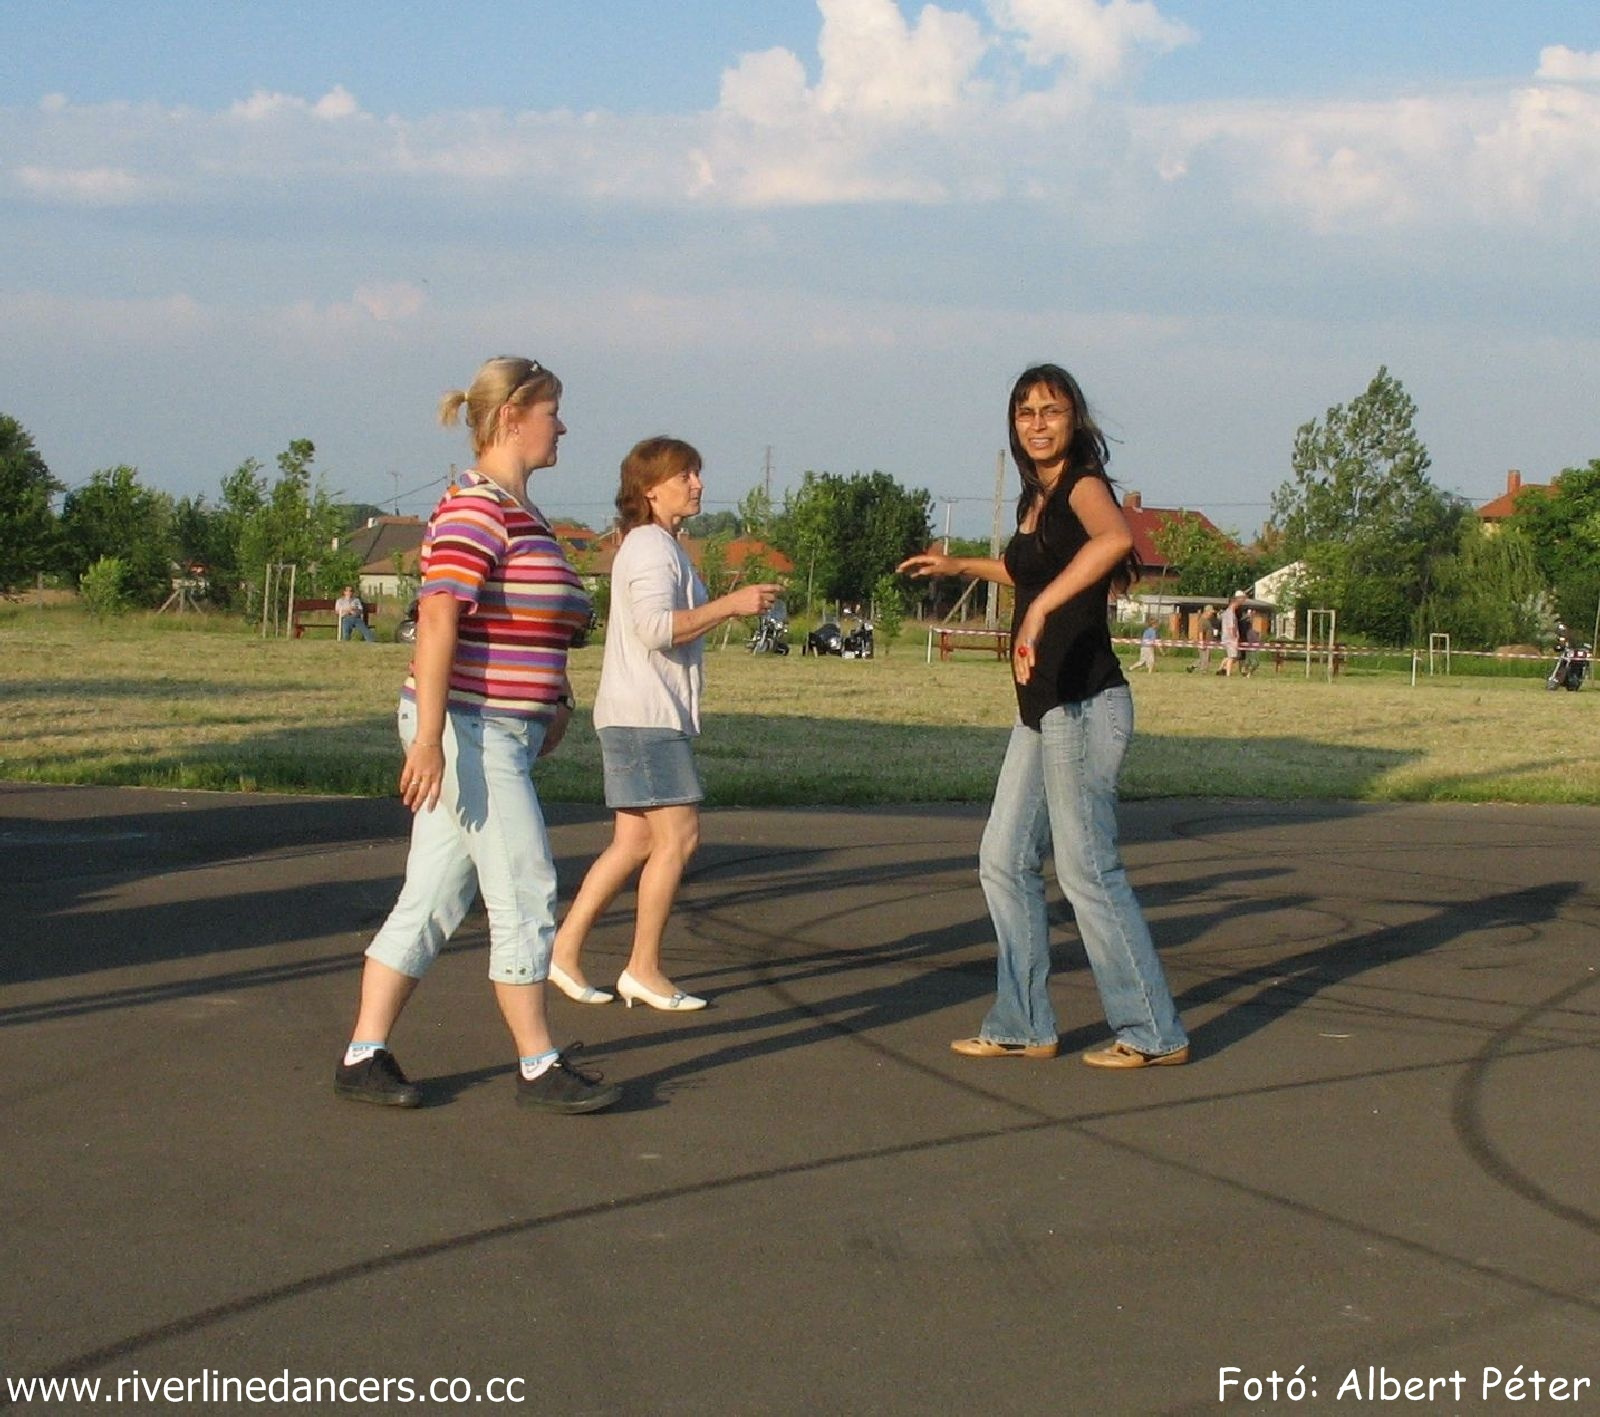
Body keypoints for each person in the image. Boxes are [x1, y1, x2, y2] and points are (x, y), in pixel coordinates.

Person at [334, 356, 621, 1114]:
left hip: (501, 729)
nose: (563, 425)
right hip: (467, 727)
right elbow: (437, 617)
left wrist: (554, 696)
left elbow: (540, 625)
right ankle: (537, 1063)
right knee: (526, 881)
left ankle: (364, 1054)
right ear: (510, 419)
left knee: (431, 895)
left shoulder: (524, 515)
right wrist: (428, 738)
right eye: (553, 410)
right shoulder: (474, 508)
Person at [898, 363, 1188, 1069]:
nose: (1037, 422)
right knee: (1001, 859)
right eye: (1025, 411)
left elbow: (1116, 542)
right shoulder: (1038, 501)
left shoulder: (1083, 487)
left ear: (1074, 419)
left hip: (1085, 705)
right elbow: (1024, 568)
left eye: (1050, 410)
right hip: (1042, 711)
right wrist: (960, 565)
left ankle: (1154, 1032)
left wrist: (1046, 610)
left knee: (1088, 869)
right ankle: (1024, 1021)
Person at [550, 437, 781, 1012]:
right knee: (678, 838)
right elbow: (656, 628)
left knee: (632, 843)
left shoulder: (659, 544)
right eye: (685, 475)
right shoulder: (652, 547)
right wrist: (730, 605)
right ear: (650, 489)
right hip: (646, 719)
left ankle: (562, 952)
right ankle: (643, 968)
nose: (697, 484)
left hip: (640, 715)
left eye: (697, 473)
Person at [1220, 589, 1247, 676]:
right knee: (1232, 657)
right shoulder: (1230, 613)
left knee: (1232, 657)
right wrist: (1234, 637)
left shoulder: (1227, 612)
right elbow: (1231, 627)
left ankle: (1221, 669)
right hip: (1230, 638)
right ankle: (1227, 673)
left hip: (1227, 637)